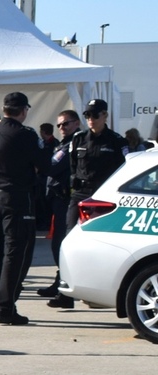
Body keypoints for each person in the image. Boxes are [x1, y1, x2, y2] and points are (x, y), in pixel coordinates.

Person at [49, 99, 129, 309]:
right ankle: (65, 292)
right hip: (81, 195)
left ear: (105, 116)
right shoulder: (78, 139)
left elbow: (124, 170)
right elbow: (72, 166)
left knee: (104, 244)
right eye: (87, 116)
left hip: (103, 197)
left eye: (95, 115)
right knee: (68, 241)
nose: (90, 120)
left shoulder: (116, 142)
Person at [0, 92, 46, 325]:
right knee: (16, 253)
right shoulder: (24, 134)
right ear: (23, 110)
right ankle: (6, 307)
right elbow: (44, 164)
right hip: (16, 197)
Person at [37, 110, 81, 299]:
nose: (62, 128)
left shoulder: (75, 143)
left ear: (77, 123)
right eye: (59, 125)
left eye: (66, 124)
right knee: (59, 243)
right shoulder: (64, 143)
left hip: (66, 198)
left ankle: (64, 284)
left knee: (61, 243)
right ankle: (61, 281)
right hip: (57, 198)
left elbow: (53, 166)